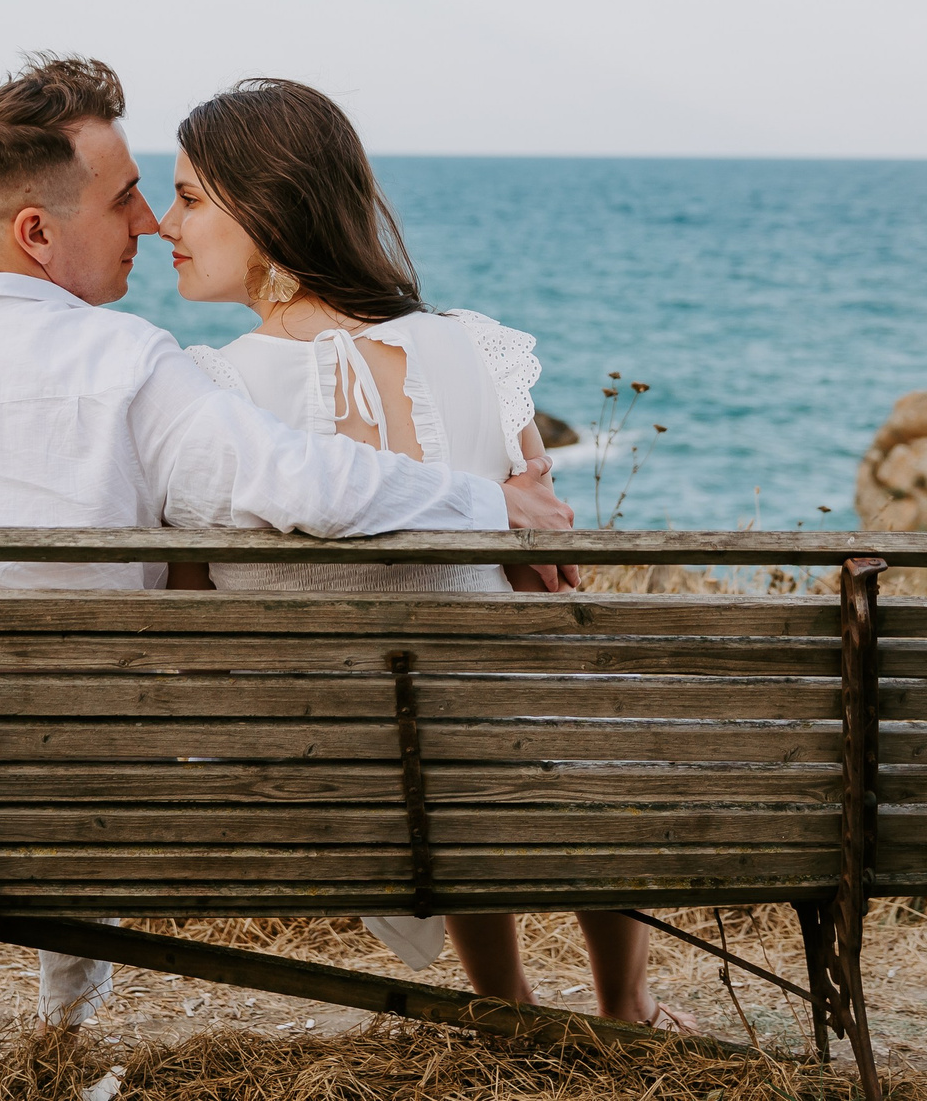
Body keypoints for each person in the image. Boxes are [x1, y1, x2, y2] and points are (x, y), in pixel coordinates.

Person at [0, 54, 574, 1030]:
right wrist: (489, 511)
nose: (149, 221)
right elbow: (297, 483)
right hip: (64, 800)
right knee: (70, 711)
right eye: (129, 197)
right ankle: (65, 1026)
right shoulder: (121, 363)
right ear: (37, 233)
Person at [155, 76, 694, 1033]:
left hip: (339, 770)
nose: (166, 222)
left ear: (267, 207)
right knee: (501, 696)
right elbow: (545, 566)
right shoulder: (476, 350)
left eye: (191, 195)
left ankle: (502, 999)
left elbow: (189, 605)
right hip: (504, 750)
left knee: (435, 727)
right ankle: (627, 1006)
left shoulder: (210, 390)